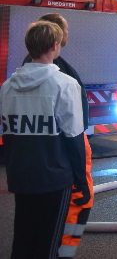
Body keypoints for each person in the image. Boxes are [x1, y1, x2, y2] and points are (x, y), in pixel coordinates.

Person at [0, 21, 90, 259]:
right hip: (54, 177)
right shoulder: (65, 84)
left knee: (23, 238)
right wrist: (81, 181)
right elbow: (73, 137)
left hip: (21, 175)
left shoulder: (7, 87)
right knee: (49, 243)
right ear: (54, 45)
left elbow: (7, 135)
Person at [23, 13, 94, 258]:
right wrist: (80, 180)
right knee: (72, 212)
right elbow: (71, 131)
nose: (67, 35)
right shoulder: (60, 76)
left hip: (33, 167)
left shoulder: (21, 76)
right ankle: (63, 253)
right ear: (56, 37)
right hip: (61, 162)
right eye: (65, 30)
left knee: (29, 231)